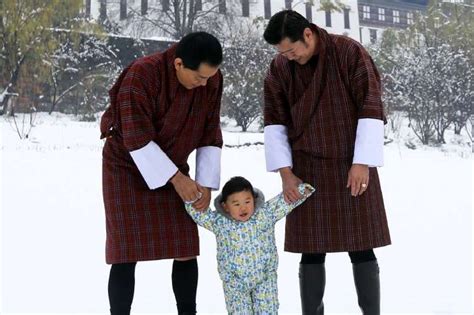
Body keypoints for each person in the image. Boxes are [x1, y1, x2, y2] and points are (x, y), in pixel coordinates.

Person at [262, 10, 391, 315]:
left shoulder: (348, 52)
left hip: (350, 162)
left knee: (361, 246)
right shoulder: (281, 67)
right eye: (283, 53)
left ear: (308, 34)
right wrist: (286, 174)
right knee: (310, 250)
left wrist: (362, 162)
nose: (289, 57)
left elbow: (370, 105)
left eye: (292, 50)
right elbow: (274, 121)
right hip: (306, 167)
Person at [99, 32, 224, 315]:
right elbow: (135, 134)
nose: (205, 83)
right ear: (178, 64)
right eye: (199, 77)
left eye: (209, 77)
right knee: (124, 252)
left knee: (185, 245)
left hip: (174, 162)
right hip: (126, 165)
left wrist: (204, 183)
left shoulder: (211, 79)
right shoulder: (142, 74)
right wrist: (178, 179)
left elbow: (210, 129)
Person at [185, 176, 315, 314]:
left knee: (268, 311)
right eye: (236, 204)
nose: (243, 208)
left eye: (247, 201)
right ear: (225, 206)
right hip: (235, 283)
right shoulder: (219, 222)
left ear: (254, 199)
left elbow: (282, 203)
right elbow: (200, 214)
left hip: (265, 279)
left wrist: (301, 191)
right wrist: (191, 197)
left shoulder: (265, 215)